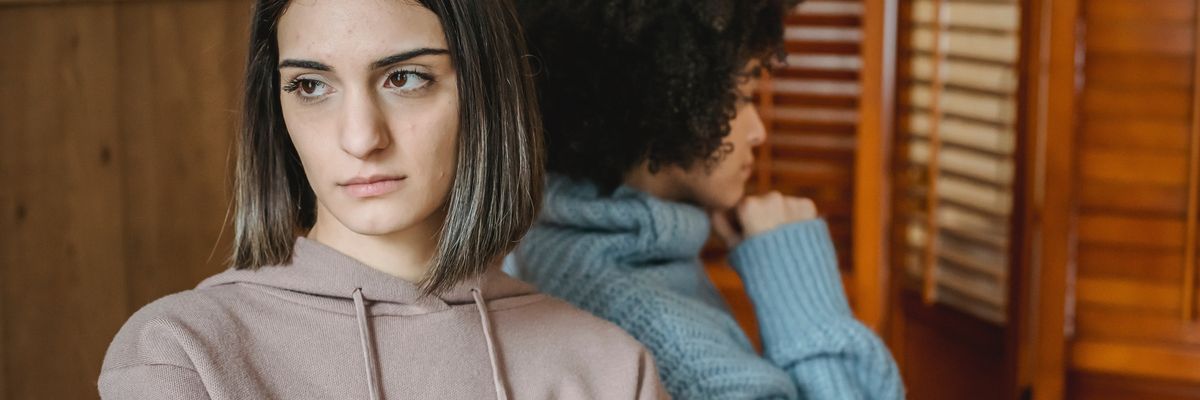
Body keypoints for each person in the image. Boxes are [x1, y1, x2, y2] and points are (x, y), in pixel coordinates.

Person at [98, 0, 665, 398]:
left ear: (490, 90)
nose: (361, 137)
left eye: (406, 78)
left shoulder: (611, 368)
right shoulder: (183, 353)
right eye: (311, 85)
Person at [508, 0, 904, 398]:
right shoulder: (678, 352)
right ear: (669, 97)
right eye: (741, 98)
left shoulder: (542, 239)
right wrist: (798, 281)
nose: (758, 133)